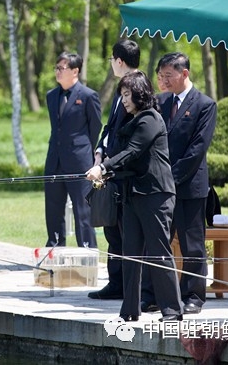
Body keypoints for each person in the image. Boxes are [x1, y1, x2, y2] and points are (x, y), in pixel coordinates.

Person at [85, 71, 183, 322]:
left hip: (155, 196)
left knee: (159, 252)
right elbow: (122, 154)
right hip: (132, 195)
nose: (124, 100)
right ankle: (129, 310)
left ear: (140, 93)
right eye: (122, 95)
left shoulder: (150, 119)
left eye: (127, 95)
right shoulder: (130, 121)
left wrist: (103, 168)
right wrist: (105, 168)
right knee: (129, 254)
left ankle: (172, 310)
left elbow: (132, 151)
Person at [142, 52, 217, 315]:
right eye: (160, 76)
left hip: (189, 187)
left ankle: (194, 295)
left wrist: (171, 178)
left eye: (168, 76)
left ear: (184, 74)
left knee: (192, 244)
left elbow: (197, 149)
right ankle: (152, 295)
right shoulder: (159, 102)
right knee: (158, 242)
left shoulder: (205, 105)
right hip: (160, 188)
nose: (163, 81)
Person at [88, 39, 140, 301]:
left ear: (119, 61)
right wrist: (99, 151)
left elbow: (130, 136)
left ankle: (130, 286)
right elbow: (109, 129)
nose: (111, 65)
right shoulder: (121, 92)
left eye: (111, 60)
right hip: (110, 170)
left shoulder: (137, 89)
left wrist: (109, 162)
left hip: (125, 173)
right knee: (112, 230)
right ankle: (116, 282)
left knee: (125, 231)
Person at [43, 52, 102, 248]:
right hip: (55, 161)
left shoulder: (88, 96)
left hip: (79, 161)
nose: (58, 72)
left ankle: (87, 249)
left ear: (75, 71)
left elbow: (95, 127)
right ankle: (54, 248)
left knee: (82, 210)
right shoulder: (52, 96)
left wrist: (86, 151)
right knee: (53, 208)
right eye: (56, 68)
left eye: (62, 68)